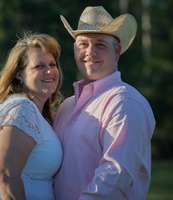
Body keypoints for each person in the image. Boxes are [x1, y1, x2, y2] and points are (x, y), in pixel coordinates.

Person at [53, 6, 156, 200]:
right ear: (75, 50)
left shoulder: (125, 102)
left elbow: (115, 175)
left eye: (100, 44)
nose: (89, 52)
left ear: (116, 52)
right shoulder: (66, 106)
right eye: (83, 44)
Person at [0, 32, 63, 200]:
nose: (49, 71)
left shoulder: (38, 113)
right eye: (39, 66)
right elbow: (6, 175)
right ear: (19, 74)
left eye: (52, 64)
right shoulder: (22, 109)